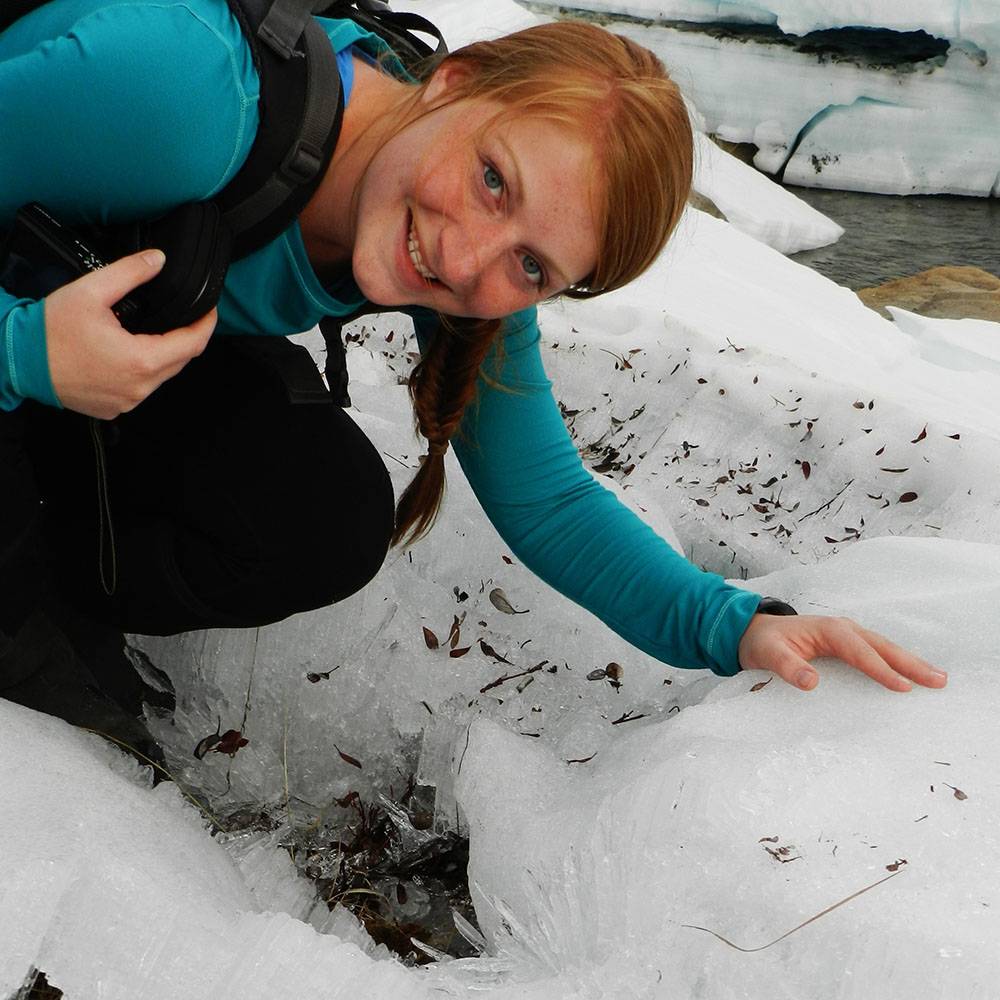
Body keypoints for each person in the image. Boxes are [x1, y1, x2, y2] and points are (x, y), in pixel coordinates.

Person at [0, 2, 946, 748]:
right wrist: (23, 353)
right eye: (495, 178)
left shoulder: (463, 277)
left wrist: (740, 627)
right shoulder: (184, 102)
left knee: (320, 516)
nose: (467, 261)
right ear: (451, 82)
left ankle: (49, 578)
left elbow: (550, 503)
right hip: (30, 334)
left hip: (67, 336)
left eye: (534, 266)